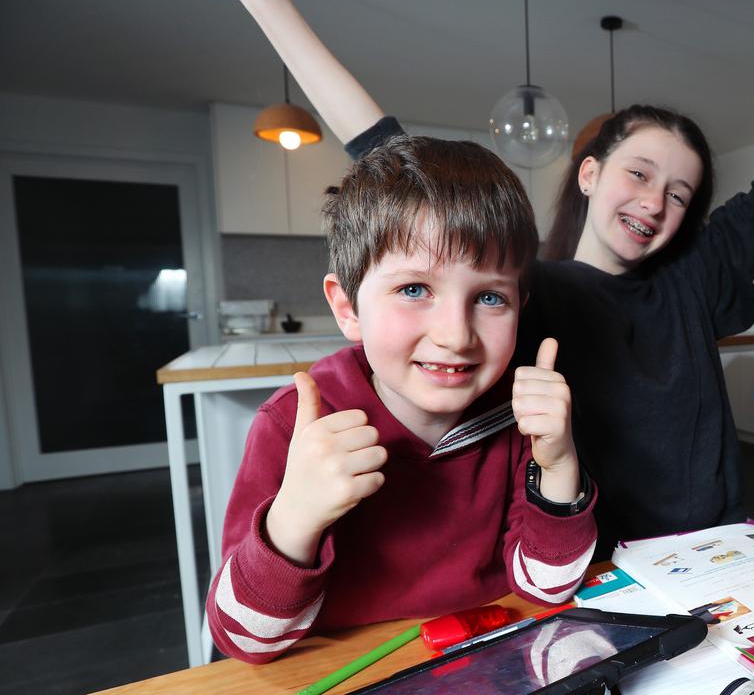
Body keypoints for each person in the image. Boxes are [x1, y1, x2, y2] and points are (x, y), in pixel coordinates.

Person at [182, 0, 754, 550]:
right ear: (589, 176)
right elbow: (381, 147)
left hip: (718, 548)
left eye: (680, 192)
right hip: (586, 560)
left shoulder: (695, 281)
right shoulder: (523, 290)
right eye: (638, 173)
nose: (655, 202)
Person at [207, 136, 597, 663]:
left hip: (483, 658)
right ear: (347, 308)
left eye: (489, 297)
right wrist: (295, 515)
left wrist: (559, 464)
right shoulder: (296, 426)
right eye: (414, 289)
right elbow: (243, 640)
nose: (456, 335)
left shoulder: (519, 418)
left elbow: (547, 589)